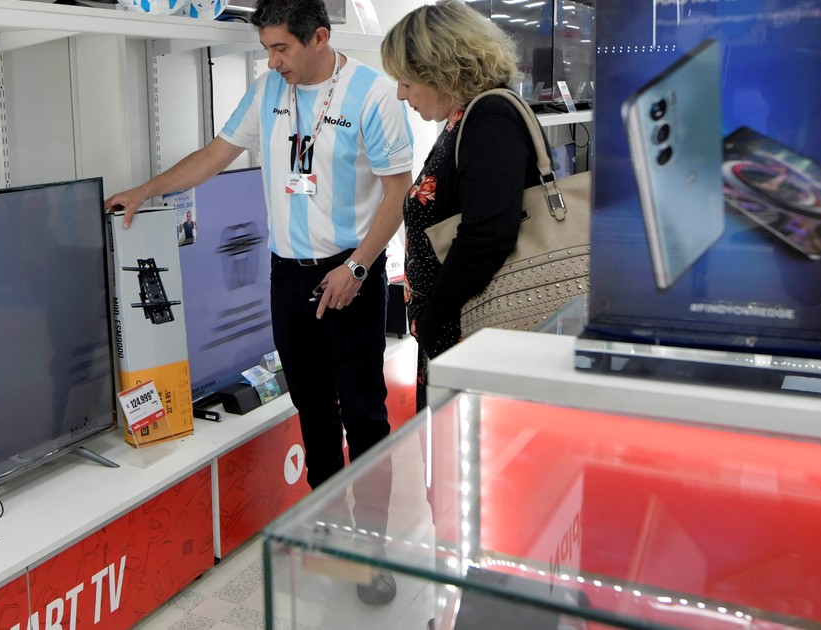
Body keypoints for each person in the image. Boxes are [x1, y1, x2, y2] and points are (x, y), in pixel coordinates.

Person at [105, 0, 412, 605]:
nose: (272, 61)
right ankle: (332, 539)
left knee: (363, 414)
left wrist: (357, 267)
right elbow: (214, 156)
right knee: (313, 411)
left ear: (318, 37)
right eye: (267, 49)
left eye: (281, 48)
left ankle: (373, 551)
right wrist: (147, 188)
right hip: (287, 277)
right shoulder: (269, 90)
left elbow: (397, 194)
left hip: (351, 273)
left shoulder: (373, 95)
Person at [380, 1, 540, 410]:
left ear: (442, 71)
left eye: (406, 82)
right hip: (462, 328)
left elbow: (488, 235)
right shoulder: (467, 119)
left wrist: (435, 313)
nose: (401, 94)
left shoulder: (489, 118)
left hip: (474, 330)